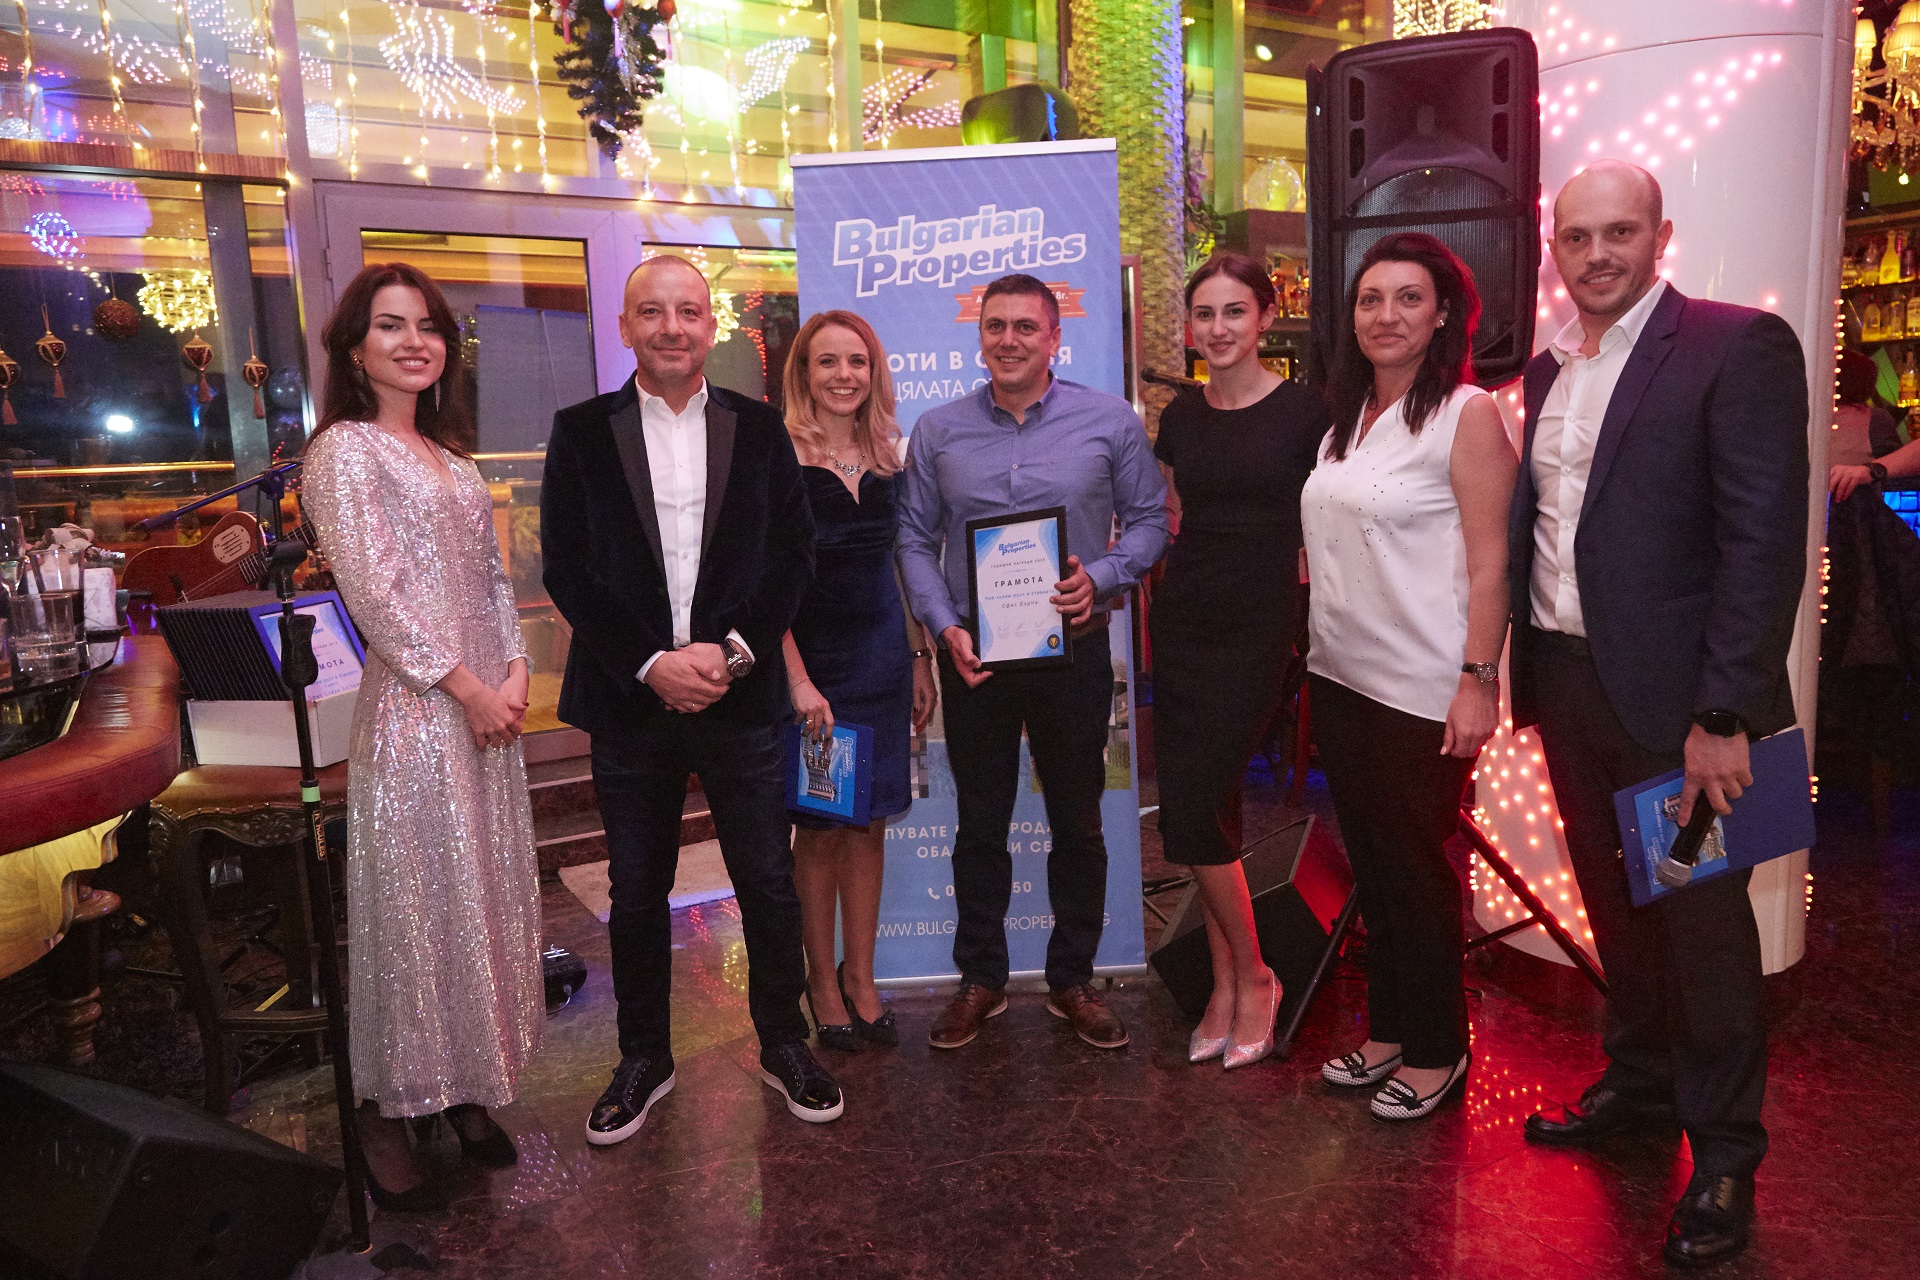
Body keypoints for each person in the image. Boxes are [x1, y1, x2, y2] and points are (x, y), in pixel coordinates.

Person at [1509, 161, 1808, 1269]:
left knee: (1702, 930)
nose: (1597, 254)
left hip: (1686, 716)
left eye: (1619, 232)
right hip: (1571, 688)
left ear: (1660, 234)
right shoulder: (1548, 369)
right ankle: (1637, 1092)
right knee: (1617, 911)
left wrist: (1724, 714)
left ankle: (1725, 1154)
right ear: (1555, 249)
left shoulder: (1736, 345)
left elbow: (1762, 543)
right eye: (1577, 236)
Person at [541, 254, 841, 1144]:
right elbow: (567, 568)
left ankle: (783, 1041)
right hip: (629, 702)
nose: (671, 327)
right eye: (652, 311)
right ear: (625, 327)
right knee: (637, 891)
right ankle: (644, 1057)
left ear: (711, 327)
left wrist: (733, 654)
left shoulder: (760, 428)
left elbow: (792, 555)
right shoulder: (581, 432)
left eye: (688, 312)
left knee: (768, 881)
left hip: (739, 698)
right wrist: (650, 664)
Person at [301, 262, 543, 1209]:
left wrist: (516, 669)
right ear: (355, 349)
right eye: (391, 325)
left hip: (486, 712)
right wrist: (468, 688)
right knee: (413, 914)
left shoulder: (454, 458)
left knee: (476, 905)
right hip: (418, 715)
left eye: (429, 326)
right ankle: (386, 1109)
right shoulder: (344, 452)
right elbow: (376, 596)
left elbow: (491, 580)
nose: (414, 342)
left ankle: (466, 1087)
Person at [898, 273, 1169, 1052]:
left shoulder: (1108, 420)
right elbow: (913, 538)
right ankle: (980, 978)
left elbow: (1150, 521)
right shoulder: (938, 431)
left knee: (1078, 823)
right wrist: (943, 627)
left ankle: (1072, 978)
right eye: (996, 326)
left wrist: (1104, 577)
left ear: (1055, 338)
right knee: (979, 825)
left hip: (1073, 650)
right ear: (979, 337)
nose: (1009, 339)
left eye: (1026, 326)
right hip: (975, 657)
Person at [1300, 233, 1516, 1122]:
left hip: (1423, 687)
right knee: (1376, 870)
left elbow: (1492, 561)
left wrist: (1479, 679)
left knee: (1417, 871)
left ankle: (1437, 1050)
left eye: (1408, 298)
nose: (1386, 315)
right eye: (1370, 299)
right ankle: (1389, 1029)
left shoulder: (1468, 414)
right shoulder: (1346, 420)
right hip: (1340, 676)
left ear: (1442, 315)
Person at [1150, 253, 1329, 1070]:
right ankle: (1224, 982)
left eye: (1234, 312)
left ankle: (1257, 976)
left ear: (1264, 318)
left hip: (1260, 623)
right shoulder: (1182, 417)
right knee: (1206, 807)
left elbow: (1328, 522)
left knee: (1192, 808)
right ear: (1190, 327)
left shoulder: (1308, 412)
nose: (1218, 328)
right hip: (1186, 616)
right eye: (1205, 314)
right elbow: (1172, 512)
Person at [779, 309, 938, 1050]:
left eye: (857, 362)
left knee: (869, 823)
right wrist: (797, 680)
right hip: (813, 672)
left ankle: (861, 978)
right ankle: (820, 982)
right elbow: (763, 586)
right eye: (828, 362)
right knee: (819, 831)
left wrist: (918, 657)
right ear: (804, 373)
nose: (844, 375)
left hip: (881, 662)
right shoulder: (776, 458)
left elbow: (903, 567)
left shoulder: (890, 456)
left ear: (874, 373)